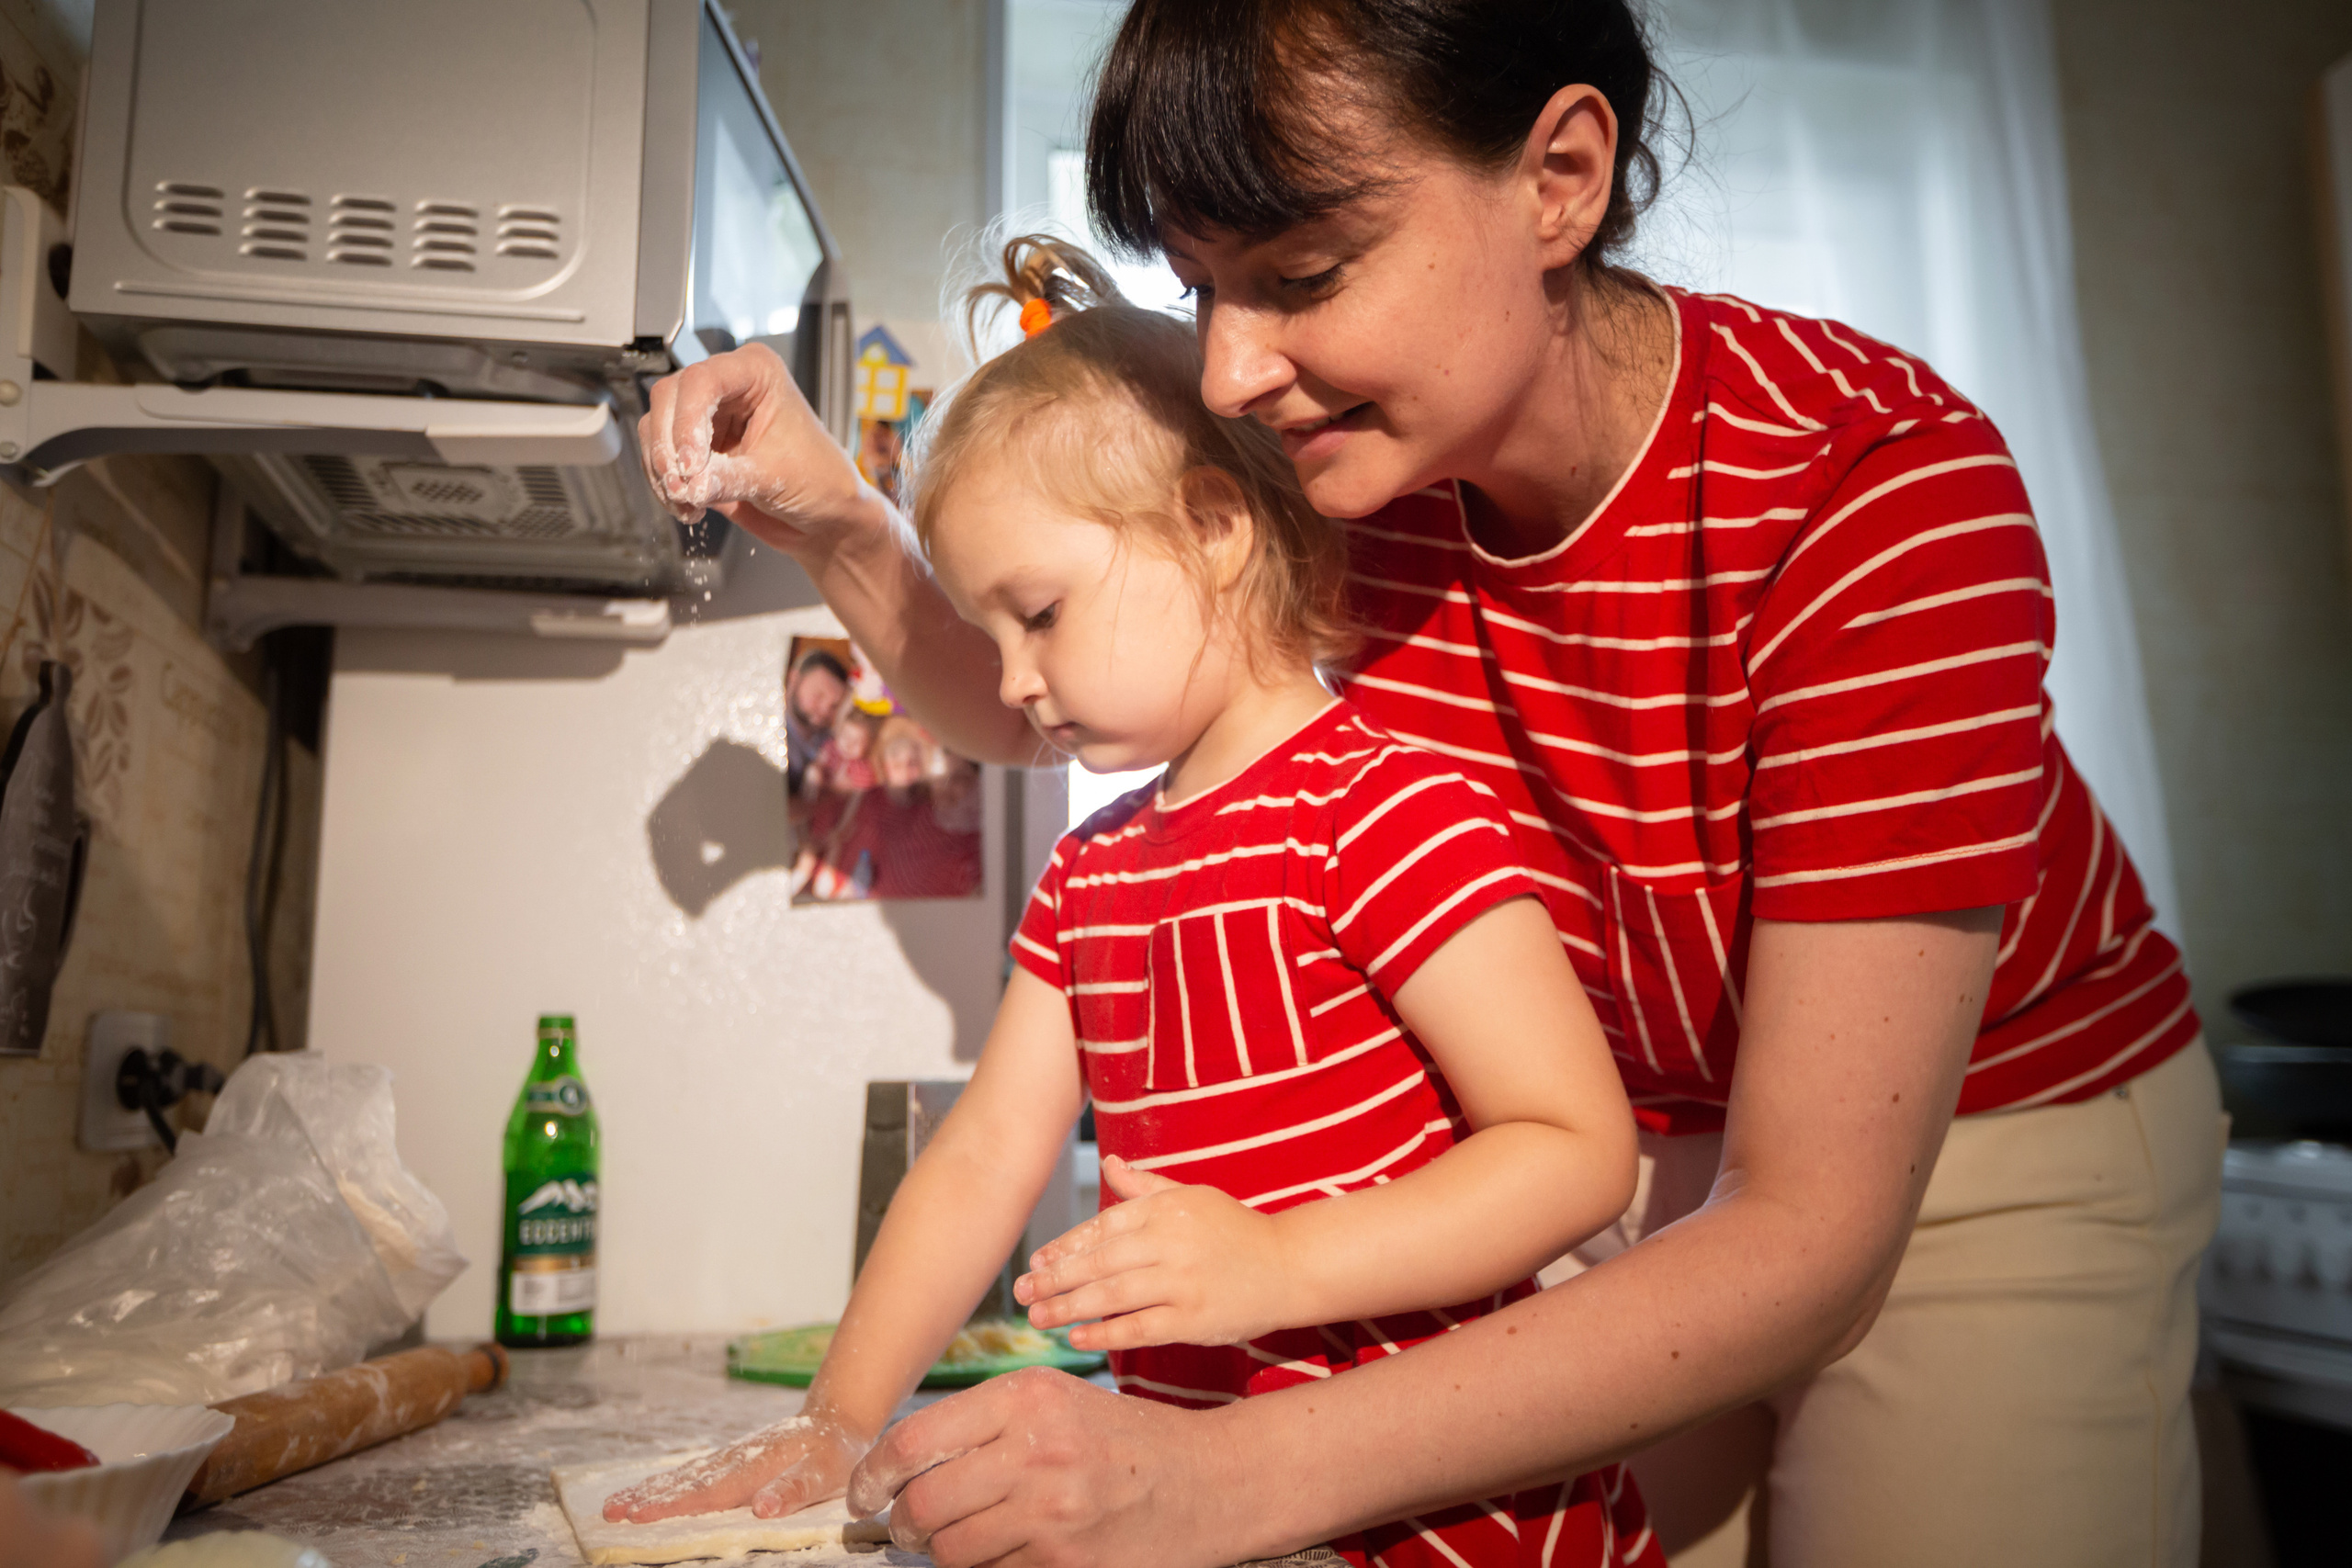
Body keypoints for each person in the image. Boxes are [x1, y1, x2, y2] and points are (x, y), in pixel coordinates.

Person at [629, 4, 2223, 1563]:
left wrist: (1219, 1478)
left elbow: (1810, 1232)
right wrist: (834, 514)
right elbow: (1048, 680)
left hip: (1982, 1151)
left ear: (1560, 178)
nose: (1238, 371)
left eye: (1303, 277)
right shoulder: (1345, 472)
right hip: (1613, 1157)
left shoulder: (1873, 495)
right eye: (1204, 291)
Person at [609, 236, 1657, 1568]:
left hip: (1459, 1524)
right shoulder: (1091, 871)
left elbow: (1573, 1149)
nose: (1018, 682)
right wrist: (837, 1416)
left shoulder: (1386, 811)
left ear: (1216, 531)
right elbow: (990, 1153)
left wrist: (1282, 1269)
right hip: (1216, 1524)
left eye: (1038, 613)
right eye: (992, 636)